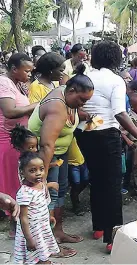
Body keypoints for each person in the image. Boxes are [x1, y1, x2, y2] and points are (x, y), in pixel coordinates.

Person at [74, 41, 137, 252]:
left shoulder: (86, 77)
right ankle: (113, 238)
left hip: (84, 133)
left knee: (96, 179)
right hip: (106, 134)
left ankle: (99, 227)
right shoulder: (115, 80)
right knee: (111, 184)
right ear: (116, 58)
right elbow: (120, 114)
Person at [28, 64, 93, 257]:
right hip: (45, 156)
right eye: (81, 99)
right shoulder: (57, 106)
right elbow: (46, 145)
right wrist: (42, 179)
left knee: (60, 192)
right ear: (71, 91)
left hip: (60, 153)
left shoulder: (67, 92)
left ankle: (58, 232)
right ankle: (47, 246)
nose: (82, 104)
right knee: (47, 197)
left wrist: (82, 115)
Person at [0, 53, 36, 234]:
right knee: (13, 182)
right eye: (27, 71)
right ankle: (16, 226)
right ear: (14, 69)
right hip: (8, 140)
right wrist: (37, 105)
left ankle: (22, 224)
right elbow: (9, 112)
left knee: (20, 180)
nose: (30, 74)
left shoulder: (17, 84)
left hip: (19, 140)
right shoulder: (4, 83)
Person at [14, 152, 60, 264]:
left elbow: (43, 204)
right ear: (22, 172)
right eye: (32, 170)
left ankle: (45, 262)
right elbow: (23, 218)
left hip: (42, 227)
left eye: (41, 169)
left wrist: (49, 216)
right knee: (35, 256)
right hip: (32, 231)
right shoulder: (24, 193)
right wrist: (29, 239)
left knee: (43, 252)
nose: (38, 173)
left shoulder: (41, 185)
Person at [67, 137, 89, 215]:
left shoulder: (73, 134)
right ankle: (76, 207)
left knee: (86, 180)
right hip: (72, 164)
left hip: (81, 161)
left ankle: (74, 196)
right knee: (76, 184)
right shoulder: (63, 138)